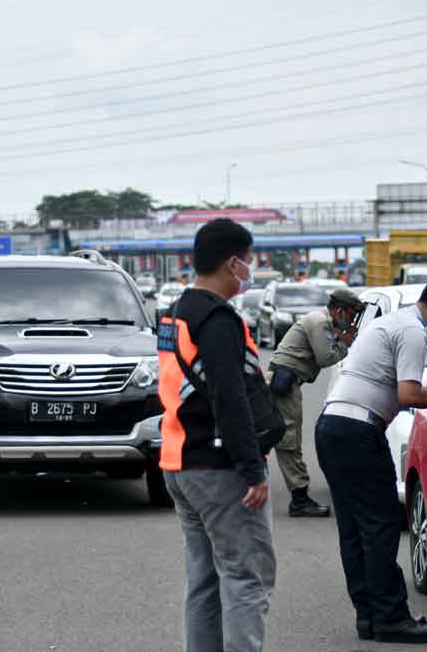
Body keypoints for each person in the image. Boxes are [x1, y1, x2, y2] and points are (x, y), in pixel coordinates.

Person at [318, 276, 427, 644]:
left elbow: (393, 384)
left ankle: (370, 617)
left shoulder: (393, 321)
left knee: (355, 529)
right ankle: (391, 618)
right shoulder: (415, 331)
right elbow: (407, 395)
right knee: (382, 524)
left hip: (333, 428)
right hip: (357, 433)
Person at [157, 219, 275, 652]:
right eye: (250, 260)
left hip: (180, 462)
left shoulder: (175, 313)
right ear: (232, 262)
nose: (252, 268)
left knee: (204, 581)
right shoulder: (219, 320)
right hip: (219, 467)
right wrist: (252, 469)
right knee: (246, 578)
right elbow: (230, 398)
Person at [268, 287, 365, 518]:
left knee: (278, 437)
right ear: (339, 311)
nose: (352, 321)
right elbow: (326, 357)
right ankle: (299, 499)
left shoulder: (322, 321)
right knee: (289, 441)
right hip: (285, 383)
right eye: (351, 315)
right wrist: (345, 344)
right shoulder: (320, 322)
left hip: (287, 381)